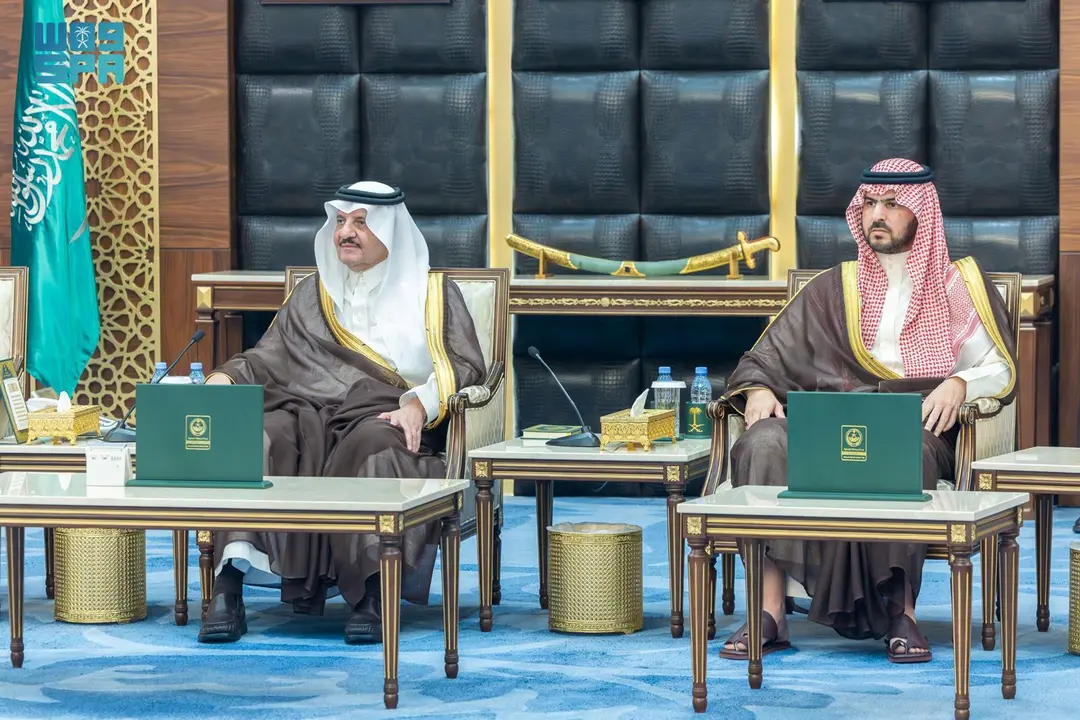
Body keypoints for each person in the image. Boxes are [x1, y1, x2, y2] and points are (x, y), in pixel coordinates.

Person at [719, 159, 1017, 664]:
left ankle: (903, 614)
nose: (877, 214)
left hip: (915, 423)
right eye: (870, 204)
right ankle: (769, 613)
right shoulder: (834, 287)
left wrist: (960, 383)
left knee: (903, 451)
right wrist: (758, 390)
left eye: (892, 204)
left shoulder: (959, 286)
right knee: (762, 442)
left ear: (921, 213)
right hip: (829, 422)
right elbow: (763, 357)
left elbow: (1000, 367)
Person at [197, 181, 486, 645]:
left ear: (390, 231)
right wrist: (225, 379)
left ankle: (371, 591)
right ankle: (228, 585)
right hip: (306, 412)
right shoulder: (314, 293)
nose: (345, 233)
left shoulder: (434, 293)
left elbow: (466, 366)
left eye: (361, 223)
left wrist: (418, 404)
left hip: (387, 414)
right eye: (340, 222)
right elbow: (268, 357)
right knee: (257, 435)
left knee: (372, 445)